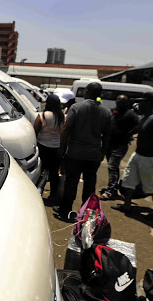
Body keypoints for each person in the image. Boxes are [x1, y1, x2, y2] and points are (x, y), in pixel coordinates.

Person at [53, 82, 112, 221]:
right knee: (90, 184)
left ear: (87, 91)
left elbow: (66, 129)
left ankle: (65, 210)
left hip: (75, 153)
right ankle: (86, 213)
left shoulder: (76, 107)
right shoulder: (106, 112)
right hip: (94, 155)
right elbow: (108, 135)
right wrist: (103, 151)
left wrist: (61, 149)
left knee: (71, 183)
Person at [111, 92, 153, 219]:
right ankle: (126, 205)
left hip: (150, 158)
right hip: (138, 155)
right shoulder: (145, 117)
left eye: (142, 102)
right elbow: (136, 130)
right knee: (128, 179)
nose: (139, 104)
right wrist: (125, 135)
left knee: (150, 183)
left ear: (149, 104)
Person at [99, 95, 140, 200]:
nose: (119, 104)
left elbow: (139, 125)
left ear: (126, 103)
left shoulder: (130, 114)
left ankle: (111, 191)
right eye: (118, 101)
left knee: (112, 166)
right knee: (113, 167)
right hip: (110, 143)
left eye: (122, 102)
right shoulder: (114, 112)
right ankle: (113, 187)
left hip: (120, 145)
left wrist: (129, 133)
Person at [34, 94, 64, 200]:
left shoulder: (43, 115)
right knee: (54, 172)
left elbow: (36, 130)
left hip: (43, 147)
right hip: (56, 148)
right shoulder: (62, 116)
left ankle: (37, 191)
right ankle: (53, 195)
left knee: (40, 171)